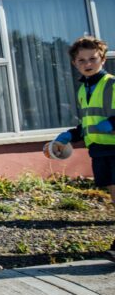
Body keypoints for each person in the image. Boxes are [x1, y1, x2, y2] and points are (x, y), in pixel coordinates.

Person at [52, 35, 115, 259]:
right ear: (74, 63)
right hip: (99, 150)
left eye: (93, 59)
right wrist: (69, 135)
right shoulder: (83, 90)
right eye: (82, 60)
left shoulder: (112, 84)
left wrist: (111, 123)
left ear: (103, 60)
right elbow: (87, 124)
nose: (88, 64)